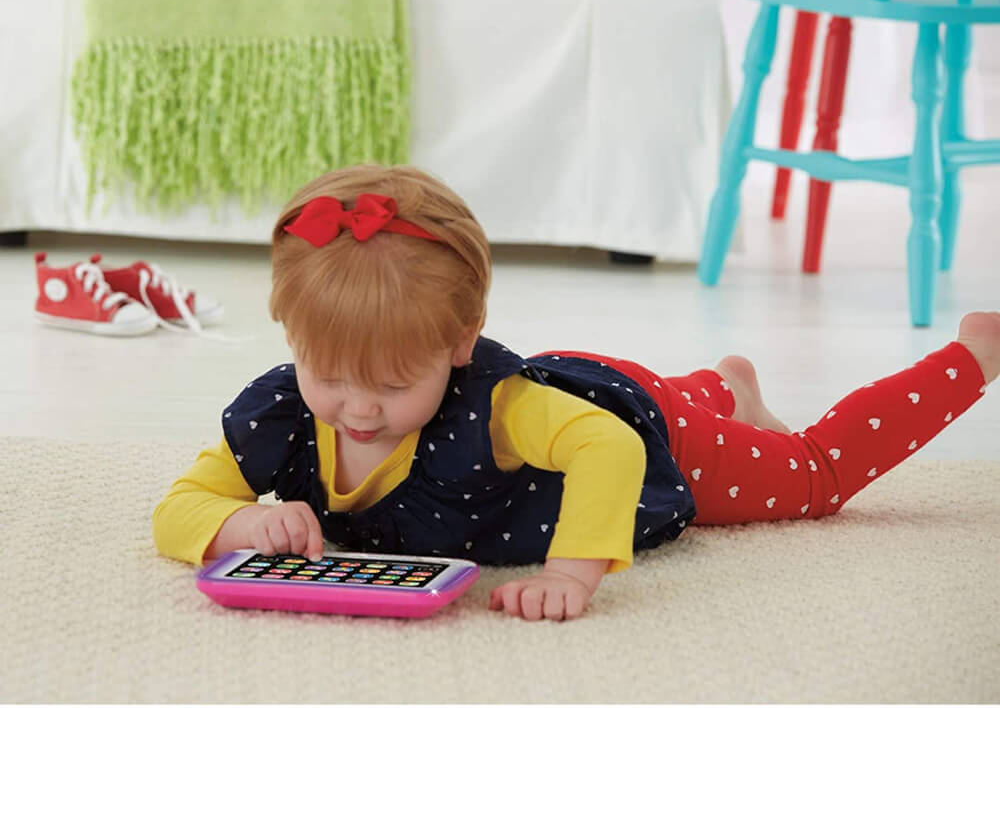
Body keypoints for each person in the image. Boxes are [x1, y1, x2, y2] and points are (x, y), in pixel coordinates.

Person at [153, 165, 1000, 622]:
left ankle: (972, 357)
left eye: (390, 384)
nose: (358, 409)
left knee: (812, 480)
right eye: (330, 376)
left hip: (643, 433)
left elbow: (611, 446)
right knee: (633, 404)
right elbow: (180, 504)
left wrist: (572, 572)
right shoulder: (284, 411)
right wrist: (235, 521)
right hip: (584, 400)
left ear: (459, 344)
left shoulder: (499, 409)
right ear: (295, 340)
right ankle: (726, 387)